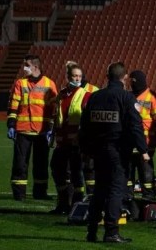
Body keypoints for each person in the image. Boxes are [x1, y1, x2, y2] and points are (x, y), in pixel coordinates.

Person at [79, 62, 149, 243]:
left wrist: (85, 149)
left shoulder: (94, 97)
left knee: (99, 190)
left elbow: (84, 126)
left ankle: (91, 230)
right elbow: (135, 126)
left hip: (98, 150)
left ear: (106, 76)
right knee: (116, 190)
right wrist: (143, 150)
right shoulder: (126, 98)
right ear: (124, 78)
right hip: (117, 150)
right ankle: (111, 231)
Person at [8, 54, 58, 201]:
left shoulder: (49, 84)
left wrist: (51, 128)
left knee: (41, 165)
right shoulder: (20, 83)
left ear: (35, 67)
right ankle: (19, 194)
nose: (24, 68)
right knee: (19, 163)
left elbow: (54, 108)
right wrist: (11, 124)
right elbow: (14, 104)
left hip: (41, 131)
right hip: (23, 129)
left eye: (27, 65)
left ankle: (40, 193)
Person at [49, 61, 92, 214]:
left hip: (76, 143)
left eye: (80, 76)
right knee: (57, 168)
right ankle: (63, 202)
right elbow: (58, 117)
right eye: (74, 76)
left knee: (76, 173)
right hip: (62, 142)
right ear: (68, 77)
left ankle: (76, 204)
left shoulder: (85, 95)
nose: (77, 79)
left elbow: (86, 119)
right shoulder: (62, 94)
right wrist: (53, 134)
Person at [128, 70, 156, 199]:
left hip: (146, 144)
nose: (132, 84)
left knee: (146, 174)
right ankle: (128, 200)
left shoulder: (153, 97)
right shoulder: (128, 96)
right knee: (128, 174)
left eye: (134, 81)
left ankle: (148, 198)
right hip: (130, 143)